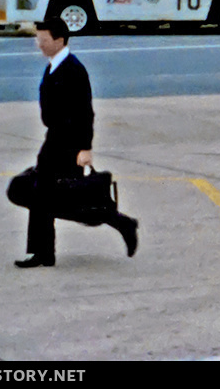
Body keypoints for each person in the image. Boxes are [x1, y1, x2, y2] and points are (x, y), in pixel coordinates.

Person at [16, 18, 138, 267]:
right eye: (38, 40)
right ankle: (42, 253)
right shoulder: (53, 66)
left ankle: (120, 222)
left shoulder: (73, 69)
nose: (39, 45)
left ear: (59, 40)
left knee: (69, 198)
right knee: (42, 195)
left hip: (69, 145)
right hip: (53, 141)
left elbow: (85, 112)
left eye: (43, 40)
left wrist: (85, 148)